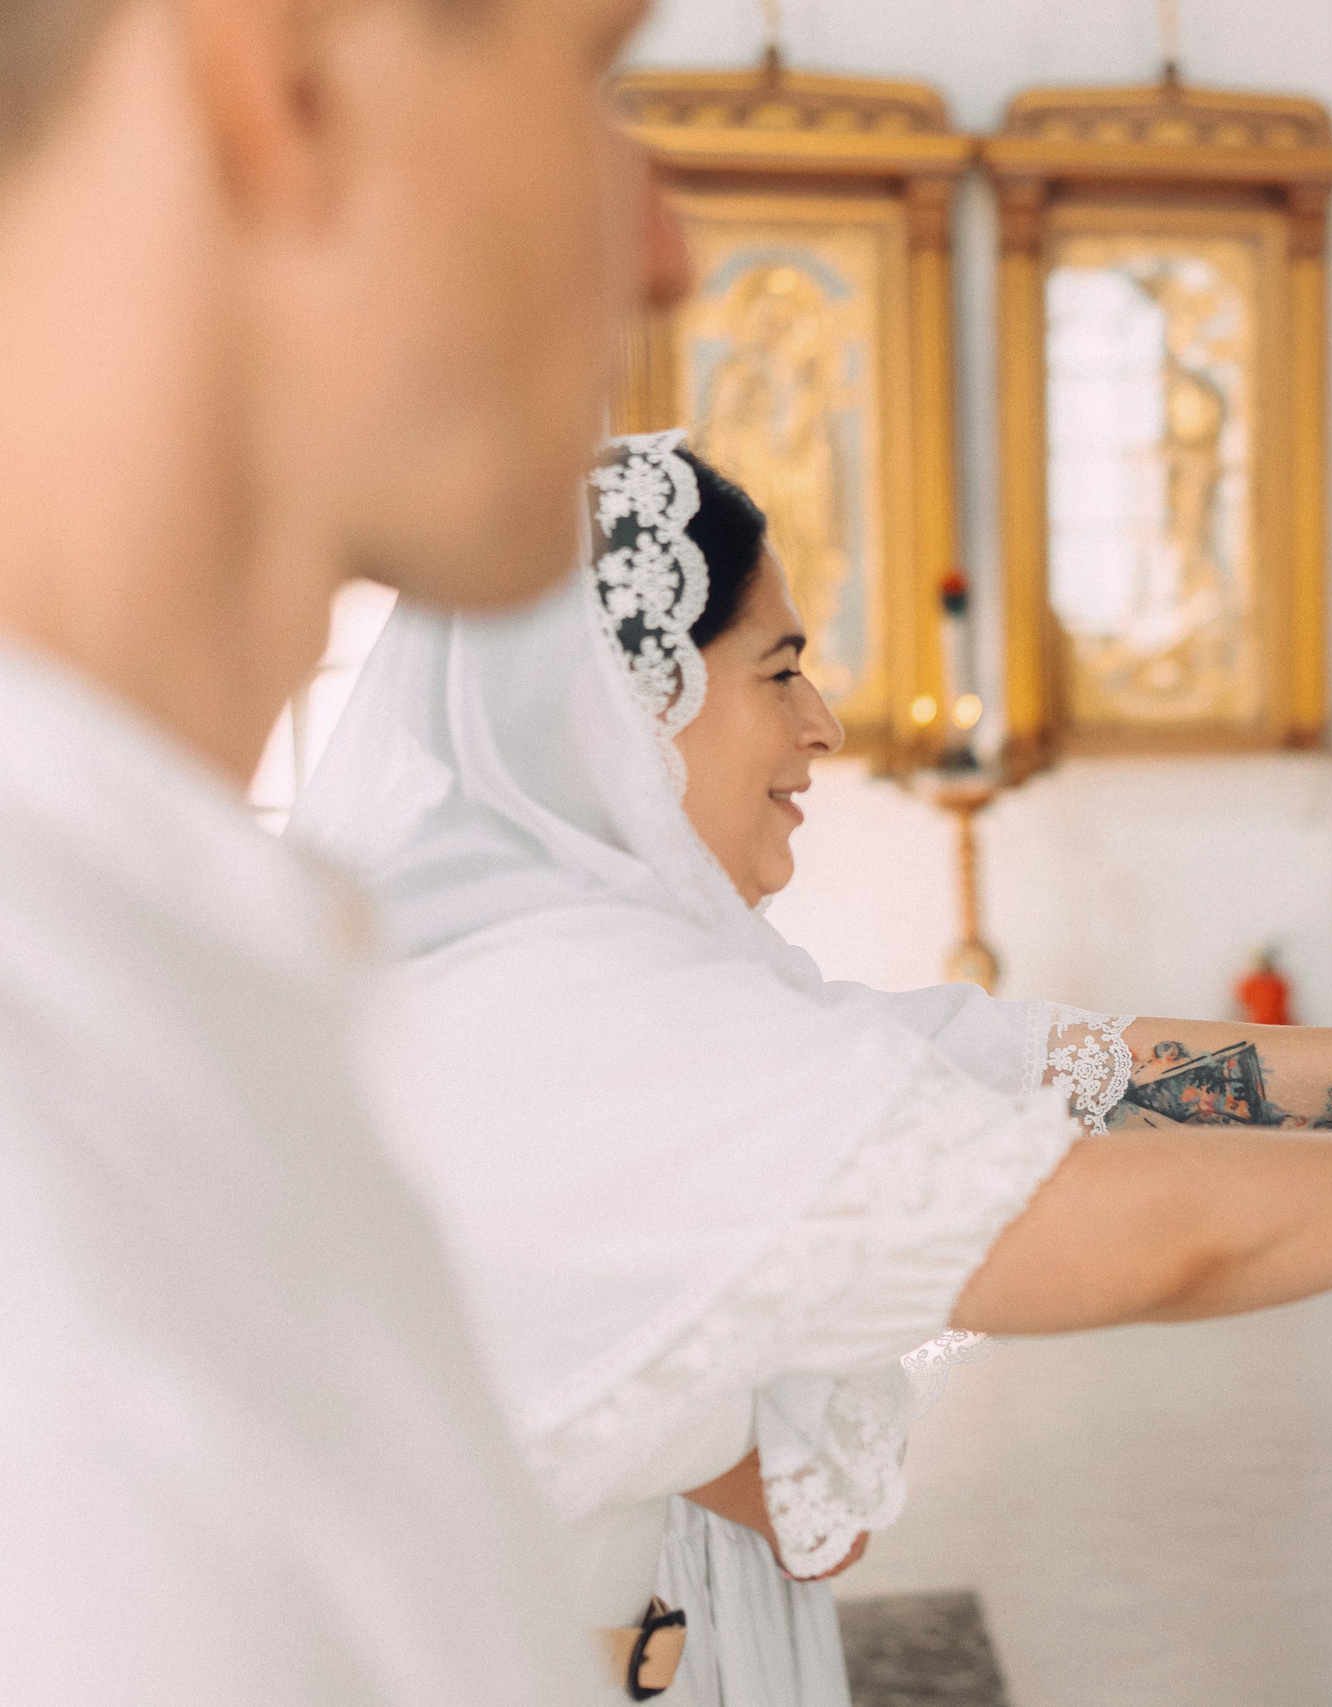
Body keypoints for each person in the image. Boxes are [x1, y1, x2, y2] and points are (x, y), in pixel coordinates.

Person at [289, 432, 1332, 1707]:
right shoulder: (586, 1021)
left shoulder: (573, 973)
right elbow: (1159, 1235)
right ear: (627, 699)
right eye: (780, 669)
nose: (823, 726)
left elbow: (1087, 1068)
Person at [0, 1, 688, 1701]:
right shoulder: (53, 1216)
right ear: (284, 81)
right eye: (590, 75)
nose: (667, 248)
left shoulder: (162, 986)